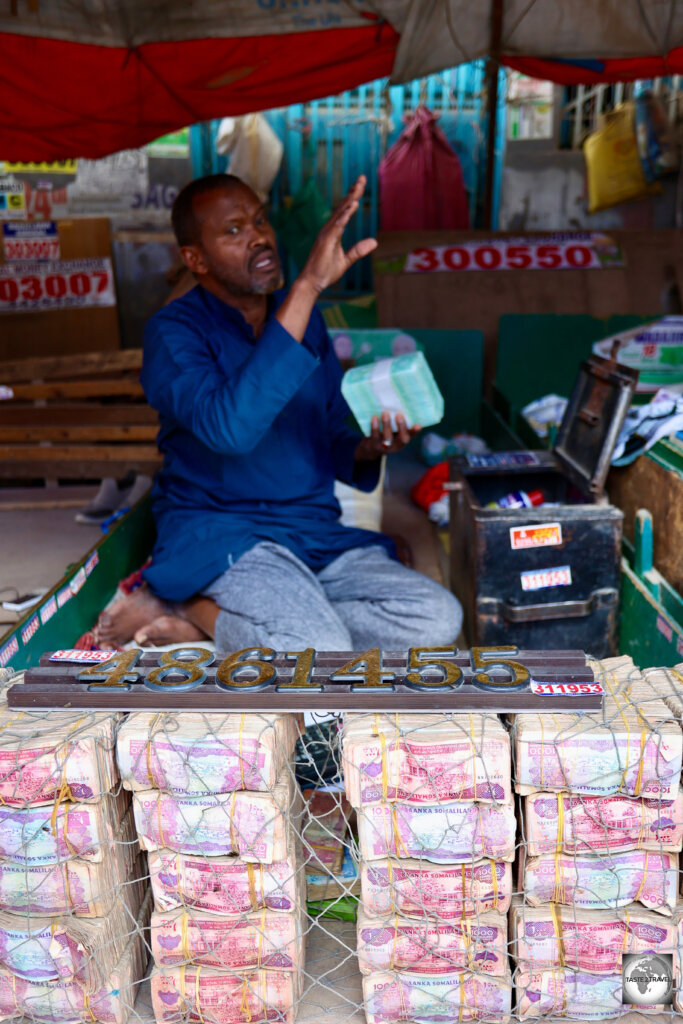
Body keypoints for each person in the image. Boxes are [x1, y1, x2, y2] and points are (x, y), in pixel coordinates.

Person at [96, 172, 462, 650]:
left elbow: (331, 436)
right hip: (225, 533)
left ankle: (233, 620)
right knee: (322, 650)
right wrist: (309, 285)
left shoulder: (306, 327)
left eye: (260, 221)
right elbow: (230, 430)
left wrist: (371, 448)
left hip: (310, 532)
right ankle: (198, 608)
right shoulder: (173, 334)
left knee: (436, 617)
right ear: (195, 259)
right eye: (233, 230)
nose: (260, 237)